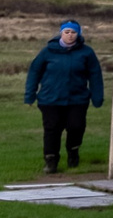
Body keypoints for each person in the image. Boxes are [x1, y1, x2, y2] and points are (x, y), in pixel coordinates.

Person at [24, 19, 105, 174]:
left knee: (76, 127)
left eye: (73, 32)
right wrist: (30, 95)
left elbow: (95, 75)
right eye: (67, 32)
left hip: (77, 99)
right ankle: (51, 161)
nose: (70, 35)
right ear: (61, 33)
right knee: (52, 129)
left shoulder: (87, 52)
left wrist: (97, 97)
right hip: (50, 99)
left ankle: (73, 152)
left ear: (78, 34)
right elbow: (34, 72)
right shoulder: (47, 52)